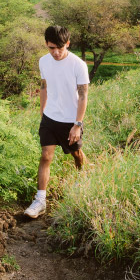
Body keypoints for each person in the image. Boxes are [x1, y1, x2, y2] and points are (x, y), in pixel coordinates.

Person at [24, 25, 89, 219]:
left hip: (70, 120)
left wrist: (77, 124)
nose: (56, 52)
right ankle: (40, 200)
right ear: (46, 44)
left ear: (67, 43)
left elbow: (84, 96)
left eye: (60, 47)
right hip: (50, 118)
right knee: (46, 156)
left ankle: (84, 180)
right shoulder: (44, 61)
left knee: (77, 154)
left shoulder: (78, 65)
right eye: (52, 47)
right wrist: (43, 112)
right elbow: (44, 86)